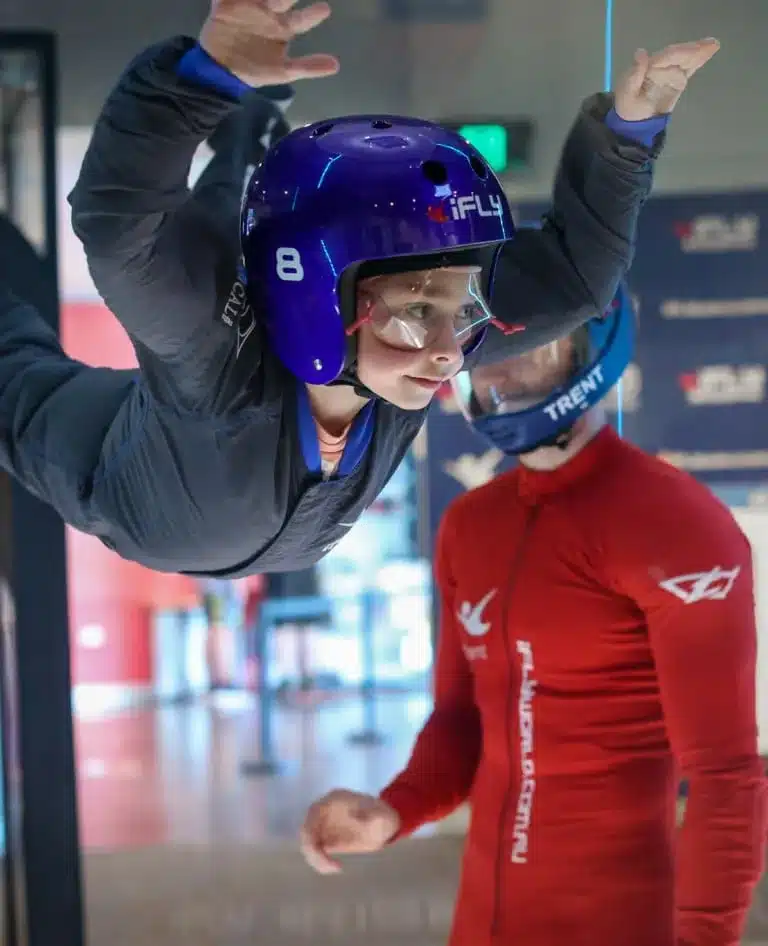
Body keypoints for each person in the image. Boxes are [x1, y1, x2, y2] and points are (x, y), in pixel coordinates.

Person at [0, 0, 718, 578]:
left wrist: (630, 134)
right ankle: (244, 132)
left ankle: (247, 135)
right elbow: (119, 220)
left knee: (218, 234)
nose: (447, 354)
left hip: (206, 468)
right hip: (121, 483)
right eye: (414, 313)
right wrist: (198, 81)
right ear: (322, 301)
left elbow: (576, 279)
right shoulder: (218, 352)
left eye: (460, 309)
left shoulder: (409, 349)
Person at [300, 285, 768, 946]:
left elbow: (727, 777)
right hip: (485, 922)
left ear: (589, 350)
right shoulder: (469, 526)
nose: (504, 371)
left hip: (623, 921)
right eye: (485, 351)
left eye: (532, 351)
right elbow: (461, 723)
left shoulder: (678, 527)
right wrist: (394, 810)